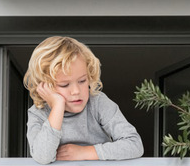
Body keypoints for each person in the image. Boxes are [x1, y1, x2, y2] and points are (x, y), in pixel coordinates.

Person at [24, 36, 144, 164]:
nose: (76, 91)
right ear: (44, 86)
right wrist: (58, 106)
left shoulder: (97, 103)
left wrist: (85, 152)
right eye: (64, 85)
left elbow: (134, 144)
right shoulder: (38, 113)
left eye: (82, 81)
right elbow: (42, 156)